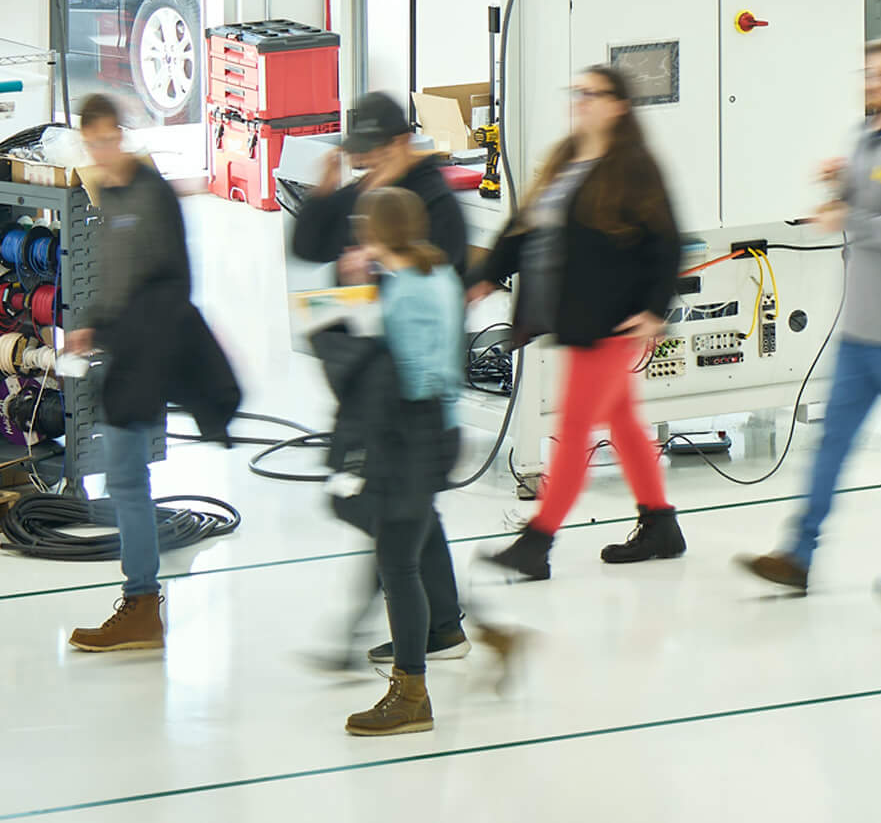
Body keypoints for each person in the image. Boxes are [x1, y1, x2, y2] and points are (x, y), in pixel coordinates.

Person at [736, 37, 881, 594]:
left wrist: (848, 215)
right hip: (863, 329)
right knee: (831, 444)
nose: (872, 83)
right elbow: (863, 203)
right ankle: (798, 554)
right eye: (868, 73)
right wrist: (840, 184)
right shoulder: (863, 136)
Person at [483, 64, 686, 580]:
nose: (584, 102)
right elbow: (525, 228)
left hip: (614, 320)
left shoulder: (635, 167)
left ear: (619, 106)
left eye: (595, 95)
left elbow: (666, 242)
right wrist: (485, 276)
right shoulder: (567, 157)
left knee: (574, 430)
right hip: (577, 315)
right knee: (621, 422)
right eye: (579, 94)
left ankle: (538, 541)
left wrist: (654, 309)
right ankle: (660, 523)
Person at [335, 188, 523, 736]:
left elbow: (407, 376)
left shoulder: (404, 296)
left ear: (376, 235)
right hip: (437, 432)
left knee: (398, 565)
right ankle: (477, 634)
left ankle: (411, 692)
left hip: (408, 439)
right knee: (411, 547)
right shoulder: (435, 274)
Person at [65, 93, 240, 654]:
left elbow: (170, 283)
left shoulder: (151, 193)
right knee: (126, 480)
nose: (100, 150)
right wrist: (91, 323)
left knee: (125, 480)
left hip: (148, 352)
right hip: (123, 347)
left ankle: (142, 602)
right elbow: (117, 275)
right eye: (90, 143)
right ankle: (141, 602)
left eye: (105, 139)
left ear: (121, 133)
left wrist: (142, 349)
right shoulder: (113, 194)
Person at [293, 90, 471, 279]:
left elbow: (440, 278)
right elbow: (307, 249)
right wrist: (322, 193)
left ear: (403, 142)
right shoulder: (364, 193)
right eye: (363, 150)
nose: (367, 159)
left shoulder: (437, 202)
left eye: (376, 149)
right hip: (358, 306)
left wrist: (375, 264)